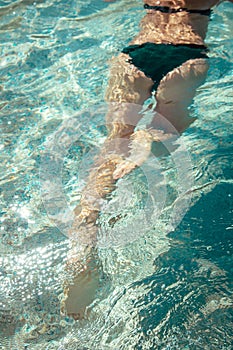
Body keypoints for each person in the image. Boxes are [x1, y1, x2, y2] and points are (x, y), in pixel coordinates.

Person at [62, 0, 233, 319]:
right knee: (171, 126)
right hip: (186, 56)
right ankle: (149, 139)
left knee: (113, 145)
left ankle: (84, 229)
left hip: (134, 57)